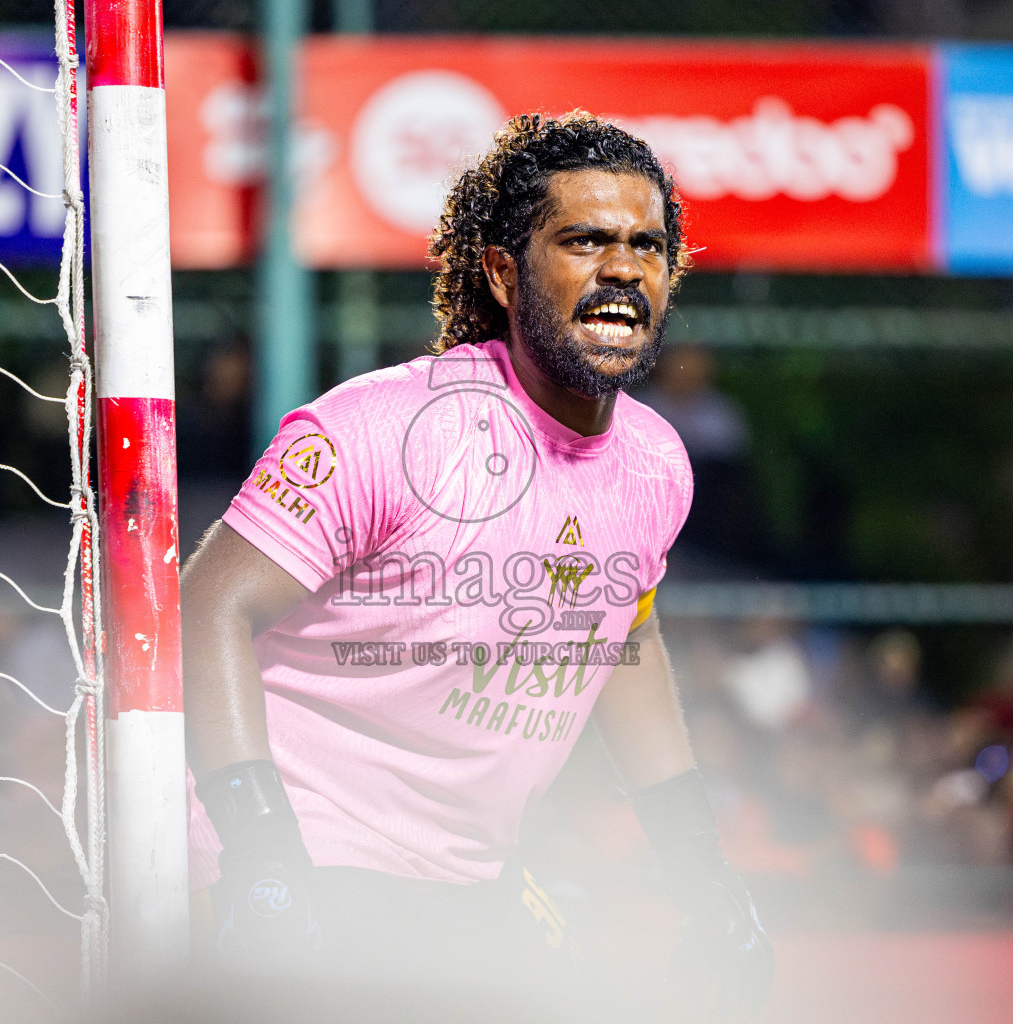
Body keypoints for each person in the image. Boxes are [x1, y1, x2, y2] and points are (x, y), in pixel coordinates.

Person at [181, 112, 771, 1019]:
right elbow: (208, 608)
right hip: (305, 851)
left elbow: (621, 639)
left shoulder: (657, 462)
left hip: (469, 875)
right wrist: (263, 863)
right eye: (584, 240)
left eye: (646, 246)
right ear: (502, 272)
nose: (622, 267)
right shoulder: (381, 429)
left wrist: (703, 873)